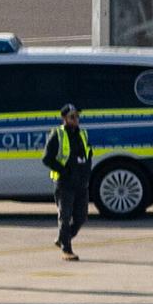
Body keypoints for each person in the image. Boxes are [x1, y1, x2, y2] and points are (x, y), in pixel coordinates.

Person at [43, 103, 94, 260]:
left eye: (77, 116)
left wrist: (86, 174)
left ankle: (63, 238)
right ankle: (67, 249)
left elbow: (88, 154)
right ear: (64, 118)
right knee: (65, 216)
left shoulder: (82, 134)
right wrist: (64, 171)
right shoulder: (57, 134)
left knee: (81, 216)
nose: (76, 119)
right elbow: (46, 158)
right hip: (64, 183)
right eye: (72, 117)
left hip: (81, 182)